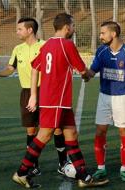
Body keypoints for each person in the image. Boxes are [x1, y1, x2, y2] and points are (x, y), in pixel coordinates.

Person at [12, 13, 109, 188]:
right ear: (66, 27)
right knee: (44, 135)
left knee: (71, 135)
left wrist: (34, 95)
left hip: (58, 101)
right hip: (55, 99)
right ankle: (21, 173)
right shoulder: (67, 45)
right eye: (73, 26)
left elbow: (35, 68)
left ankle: (84, 177)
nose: (74, 29)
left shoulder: (48, 44)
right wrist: (89, 75)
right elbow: (82, 70)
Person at [0, 17, 67, 176]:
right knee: (31, 130)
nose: (17, 32)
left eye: (19, 29)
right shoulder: (17, 49)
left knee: (56, 129)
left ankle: (62, 163)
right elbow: (10, 68)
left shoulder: (45, 46)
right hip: (26, 92)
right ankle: (34, 165)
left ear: (30, 30)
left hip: (46, 92)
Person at [85, 21, 125, 182]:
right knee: (100, 131)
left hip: (123, 98)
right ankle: (101, 168)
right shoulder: (101, 51)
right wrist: (82, 72)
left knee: (124, 132)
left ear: (113, 34)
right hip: (104, 96)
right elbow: (91, 73)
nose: (100, 36)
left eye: (103, 33)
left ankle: (124, 169)